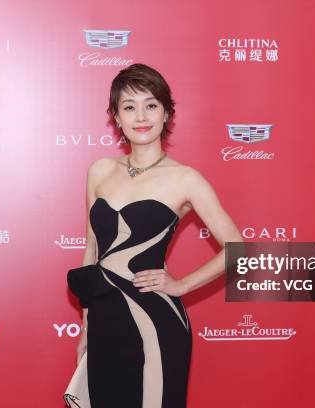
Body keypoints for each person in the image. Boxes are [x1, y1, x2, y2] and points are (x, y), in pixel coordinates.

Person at [65, 63, 243, 408]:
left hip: (155, 322)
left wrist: (183, 285)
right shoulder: (99, 171)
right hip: (104, 321)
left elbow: (238, 249)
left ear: (166, 113)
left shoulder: (185, 179)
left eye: (151, 105)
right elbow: (91, 250)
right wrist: (87, 325)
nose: (141, 116)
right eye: (129, 107)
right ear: (116, 118)